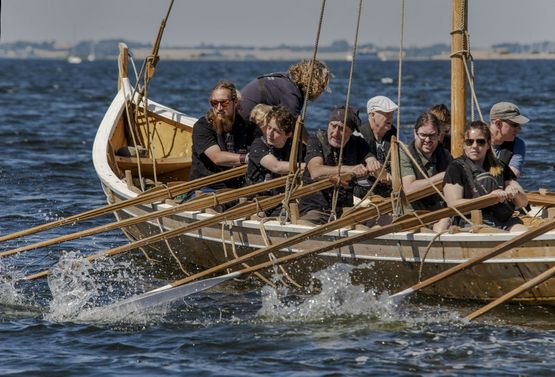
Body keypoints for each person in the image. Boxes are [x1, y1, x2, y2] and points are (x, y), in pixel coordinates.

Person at [440, 120, 528, 232]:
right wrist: (489, 199)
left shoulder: (500, 166)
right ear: (464, 144)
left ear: (488, 143)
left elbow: (523, 202)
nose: (474, 146)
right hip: (471, 223)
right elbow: (453, 205)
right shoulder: (455, 168)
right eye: (469, 142)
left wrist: (515, 192)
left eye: (480, 142)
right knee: (498, 235)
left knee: (523, 232)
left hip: (503, 221)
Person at [299, 106, 374, 224]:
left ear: (350, 132)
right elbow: (315, 172)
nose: (335, 133)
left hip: (343, 210)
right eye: (333, 126)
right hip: (315, 209)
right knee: (305, 223)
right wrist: (351, 169)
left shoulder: (358, 143)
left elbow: (372, 161)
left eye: (342, 129)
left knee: (372, 221)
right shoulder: (317, 140)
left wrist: (372, 162)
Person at [239, 59, 330, 143]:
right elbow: (296, 127)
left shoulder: (286, 79)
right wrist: (312, 146)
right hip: (245, 120)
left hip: (243, 112)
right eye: (322, 86)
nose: (322, 90)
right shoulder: (291, 93)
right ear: (315, 82)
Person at [189, 80, 256, 192]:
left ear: (235, 102)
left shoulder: (247, 126)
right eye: (214, 103)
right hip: (206, 188)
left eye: (224, 103)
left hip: (237, 187)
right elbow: (217, 157)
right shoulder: (202, 126)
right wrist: (248, 158)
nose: (219, 108)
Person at [400, 111, 452, 210]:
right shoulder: (405, 153)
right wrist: (441, 177)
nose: (427, 140)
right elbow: (409, 189)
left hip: (440, 210)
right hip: (413, 213)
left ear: (438, 135)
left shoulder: (445, 155)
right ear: (415, 133)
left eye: (432, 135)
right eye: (423, 135)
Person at [246, 105, 300, 189]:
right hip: (256, 196)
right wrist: (305, 166)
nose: (270, 133)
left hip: (281, 195)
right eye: (269, 127)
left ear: (288, 134)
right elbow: (276, 167)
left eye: (276, 131)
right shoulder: (258, 144)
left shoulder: (294, 147)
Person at [357, 95, 401, 197]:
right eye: (386, 113)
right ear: (372, 115)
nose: (390, 116)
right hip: (364, 190)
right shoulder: (357, 137)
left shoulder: (398, 136)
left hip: (390, 189)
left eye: (392, 113)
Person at [489, 101, 529, 178]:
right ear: (498, 124)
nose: (520, 129)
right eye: (515, 125)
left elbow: (511, 177)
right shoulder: (475, 142)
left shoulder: (518, 144)